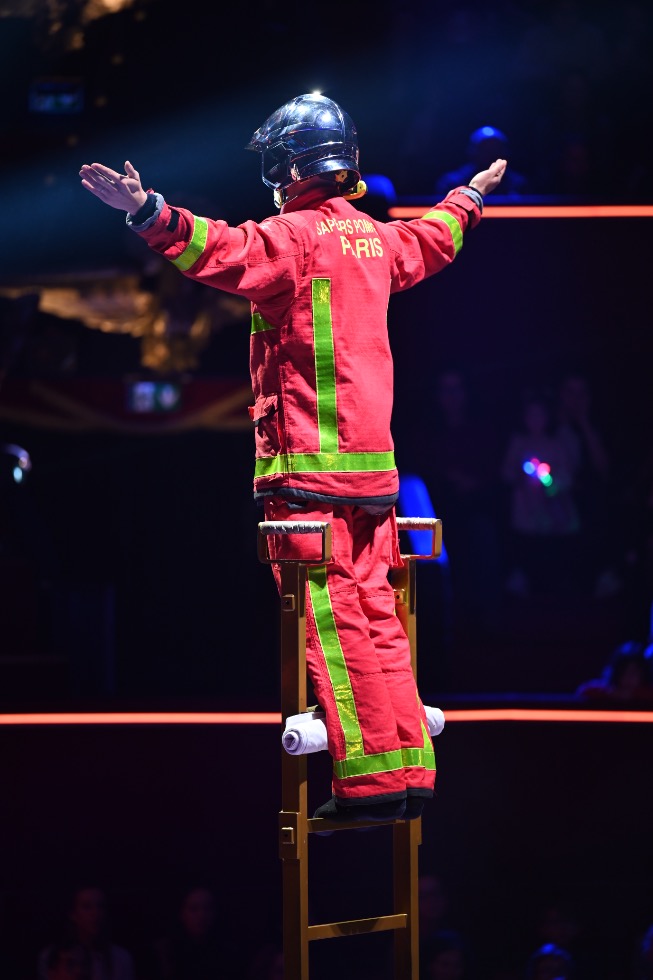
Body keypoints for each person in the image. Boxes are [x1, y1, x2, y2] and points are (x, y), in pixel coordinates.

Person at [79, 92, 506, 823]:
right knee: (379, 618)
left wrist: (146, 210)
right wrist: (469, 194)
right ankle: (407, 773)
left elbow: (214, 249)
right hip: (372, 475)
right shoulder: (374, 238)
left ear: (289, 168)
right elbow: (433, 237)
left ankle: (369, 786)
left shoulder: (294, 238)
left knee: (335, 626)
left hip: (309, 473)